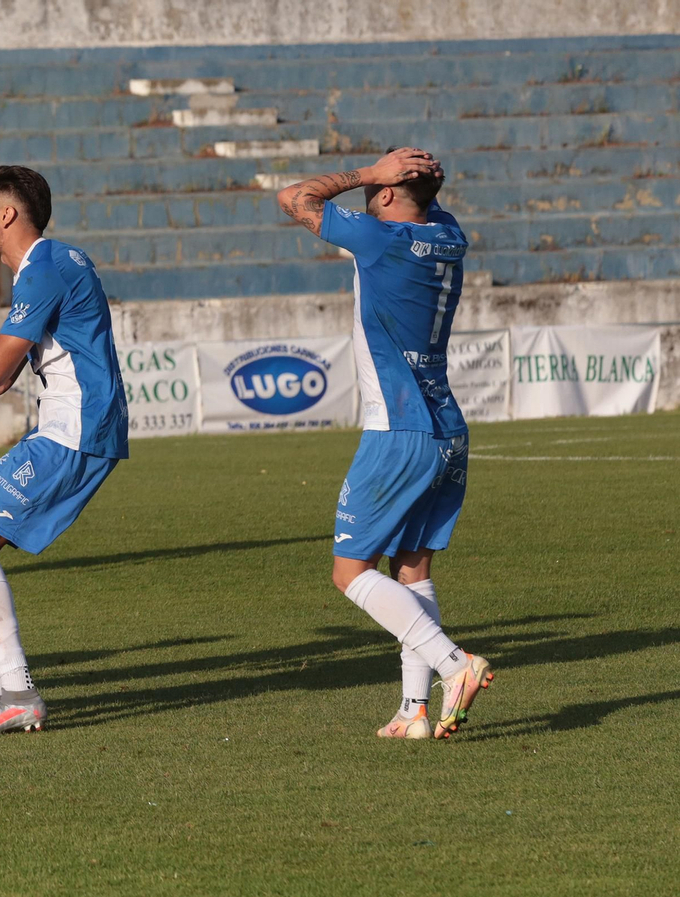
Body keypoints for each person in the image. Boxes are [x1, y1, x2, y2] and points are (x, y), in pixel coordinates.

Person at [277, 146, 494, 739]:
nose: (371, 190)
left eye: (381, 184)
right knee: (412, 569)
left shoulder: (380, 239)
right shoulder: (448, 235)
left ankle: (457, 664)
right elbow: (424, 205)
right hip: (445, 426)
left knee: (349, 573)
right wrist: (413, 180)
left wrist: (368, 172)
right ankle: (413, 709)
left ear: (392, 193)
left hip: (398, 428)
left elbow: (294, 198)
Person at [0, 166, 129, 737]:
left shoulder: (44, 269)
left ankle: (16, 692)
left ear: (7, 214)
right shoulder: (55, 263)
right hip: (74, 427)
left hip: (76, 431)